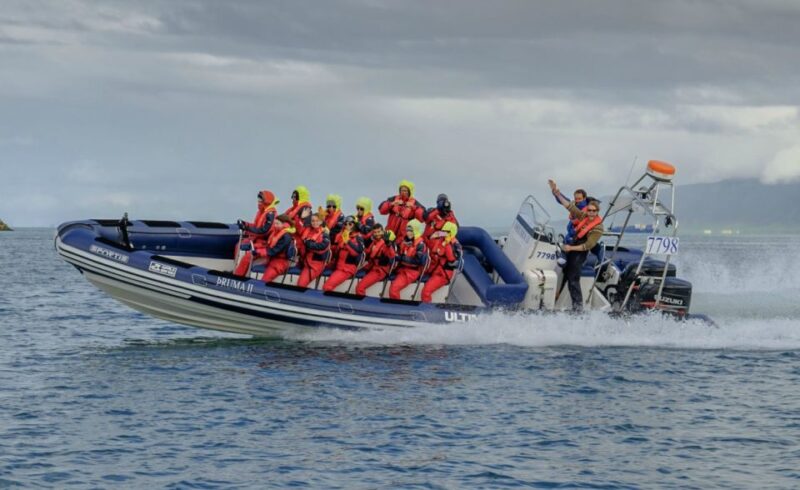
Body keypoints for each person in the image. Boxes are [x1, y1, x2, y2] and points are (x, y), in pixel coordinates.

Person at [548, 179, 604, 311]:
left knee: (573, 277)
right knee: (565, 271)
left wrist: (571, 248)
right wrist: (556, 193)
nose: (590, 213)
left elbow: (588, 245)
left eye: (593, 211)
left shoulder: (598, 228)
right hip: (572, 245)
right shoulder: (582, 215)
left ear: (597, 212)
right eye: (589, 210)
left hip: (580, 250)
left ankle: (578, 309)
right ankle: (558, 300)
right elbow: (569, 206)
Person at [233, 190, 280, 277]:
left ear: (266, 201)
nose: (258, 202)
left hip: (264, 243)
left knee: (246, 258)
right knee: (238, 245)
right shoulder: (261, 212)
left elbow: (264, 231)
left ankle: (237, 277)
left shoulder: (270, 214)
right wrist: (245, 224)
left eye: (260, 200)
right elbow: (256, 226)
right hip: (257, 240)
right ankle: (235, 271)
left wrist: (247, 228)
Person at [322, 216, 365, 292]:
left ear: (355, 225)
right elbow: (334, 249)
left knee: (327, 286)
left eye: (350, 224)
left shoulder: (358, 238)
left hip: (346, 269)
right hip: (337, 265)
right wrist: (326, 235)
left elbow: (356, 253)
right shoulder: (343, 235)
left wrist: (347, 241)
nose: (347, 226)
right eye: (345, 224)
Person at [421, 222, 460, 303]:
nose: (443, 233)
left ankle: (429, 312)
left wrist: (448, 245)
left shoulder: (452, 245)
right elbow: (429, 243)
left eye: (446, 232)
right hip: (434, 270)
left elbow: (452, 259)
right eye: (443, 231)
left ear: (451, 233)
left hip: (442, 274)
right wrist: (433, 235)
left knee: (426, 292)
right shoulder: (440, 240)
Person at [389, 219, 428, 300]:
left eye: (411, 230)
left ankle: (397, 309)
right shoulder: (405, 242)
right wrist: (390, 244)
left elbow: (418, 261)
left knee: (394, 289)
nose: (408, 232)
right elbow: (398, 252)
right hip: (402, 269)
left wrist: (402, 258)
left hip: (411, 272)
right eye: (407, 230)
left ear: (416, 231)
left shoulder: (420, 245)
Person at [253, 214, 296, 284]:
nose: (275, 225)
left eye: (277, 223)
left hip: (279, 264)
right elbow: (269, 245)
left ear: (284, 224)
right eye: (274, 223)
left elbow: (274, 251)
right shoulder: (277, 232)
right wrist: (257, 247)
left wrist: (258, 252)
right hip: (272, 260)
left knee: (264, 280)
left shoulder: (286, 237)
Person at [355, 223, 396, 296]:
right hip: (371, 267)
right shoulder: (375, 242)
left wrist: (388, 244)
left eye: (379, 232)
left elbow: (392, 255)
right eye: (375, 232)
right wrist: (359, 244)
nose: (377, 234)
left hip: (379, 270)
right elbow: (368, 252)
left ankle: (363, 305)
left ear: (383, 231)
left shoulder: (386, 243)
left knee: (359, 287)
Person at [297, 213, 331, 288]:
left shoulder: (325, 234)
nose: (315, 222)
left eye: (317, 221)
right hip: (305, 262)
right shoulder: (309, 231)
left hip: (315, 265)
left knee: (300, 285)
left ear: (321, 222)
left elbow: (322, 247)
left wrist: (308, 244)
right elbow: (299, 228)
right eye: (313, 221)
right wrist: (300, 218)